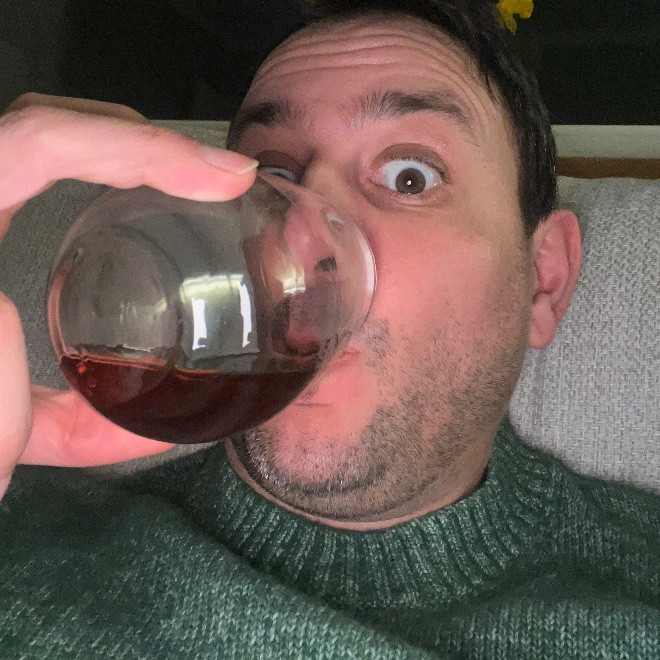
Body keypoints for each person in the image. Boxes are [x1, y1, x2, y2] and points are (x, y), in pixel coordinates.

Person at [0, 1, 658, 657]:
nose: (304, 235)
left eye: (410, 177)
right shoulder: (28, 541)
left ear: (543, 280)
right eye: (274, 178)